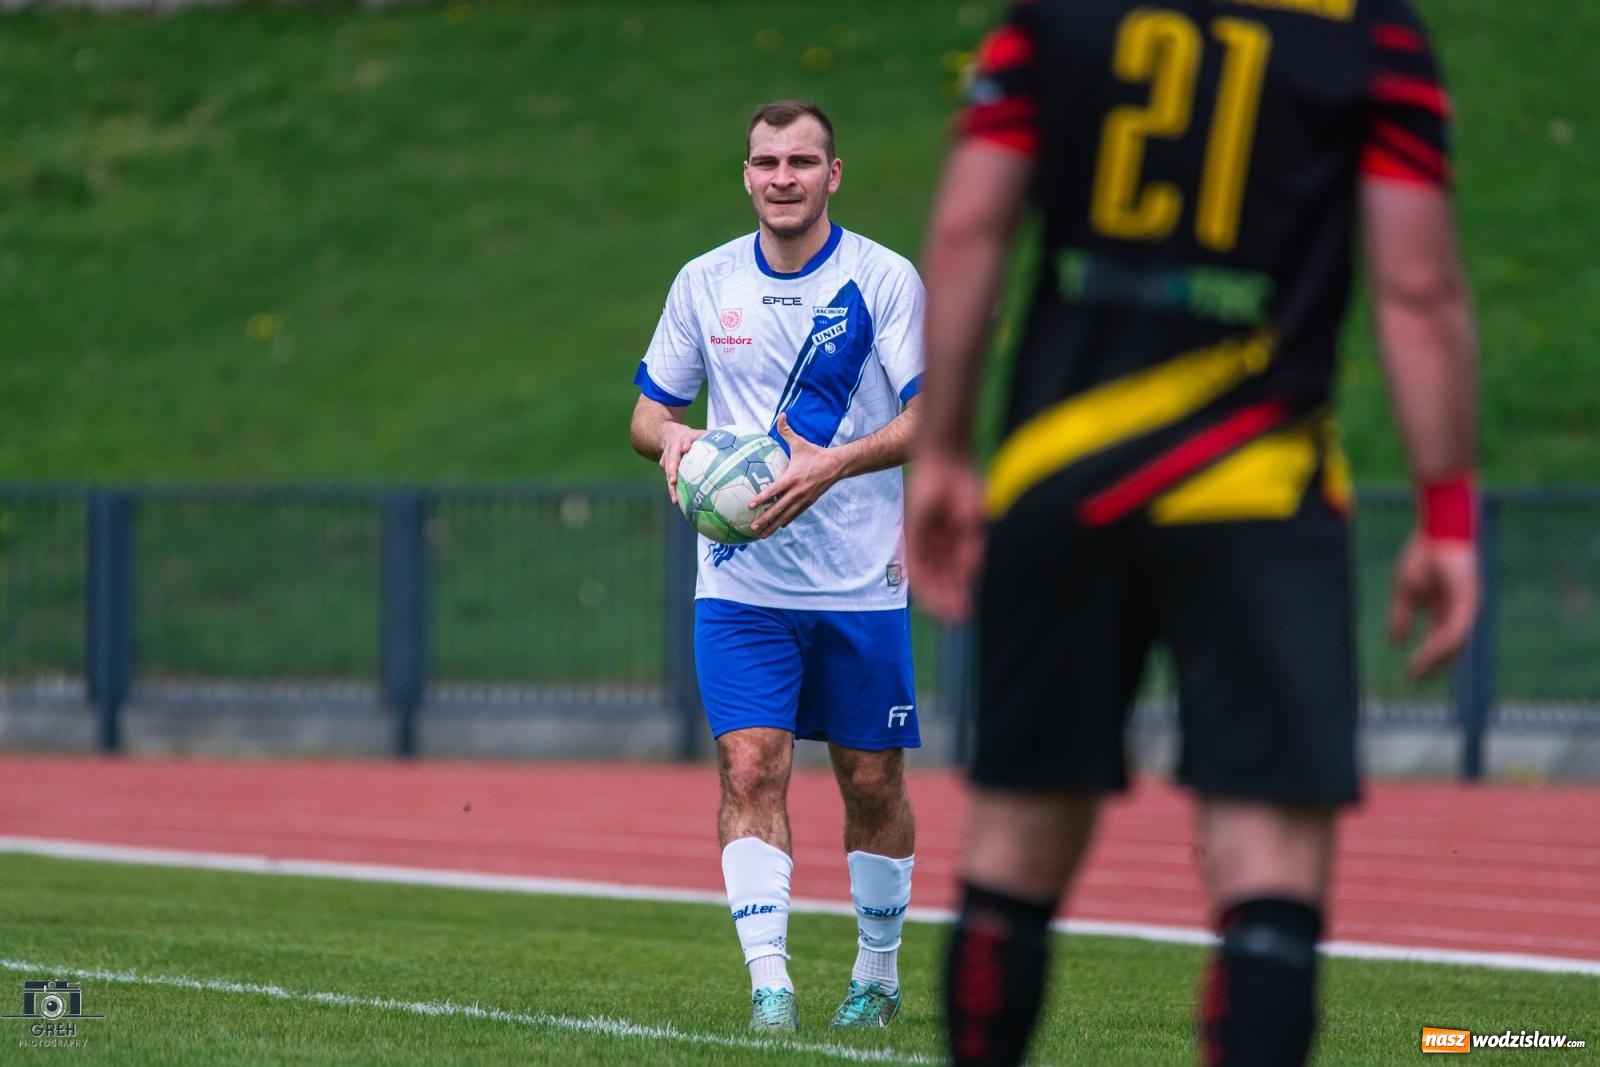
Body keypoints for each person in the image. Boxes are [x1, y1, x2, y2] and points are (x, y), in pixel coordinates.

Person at [907, 1, 1479, 1064]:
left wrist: (942, 449)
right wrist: (1445, 510)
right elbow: (1417, 288)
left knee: (1014, 848)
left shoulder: (1054, 16)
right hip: (1258, 488)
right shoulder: (1370, 33)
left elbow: (968, 228)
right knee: (1266, 869)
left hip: (1055, 473)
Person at [629, 100, 926, 1033]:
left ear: (833, 174)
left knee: (872, 781)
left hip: (859, 583)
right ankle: (771, 987)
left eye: (803, 160)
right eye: (767, 162)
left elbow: (930, 417)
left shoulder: (883, 280)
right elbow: (646, 413)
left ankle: (876, 973)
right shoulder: (704, 281)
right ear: (747, 176)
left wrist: (831, 462)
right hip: (741, 582)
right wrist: (674, 437)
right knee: (750, 768)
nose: (783, 177)